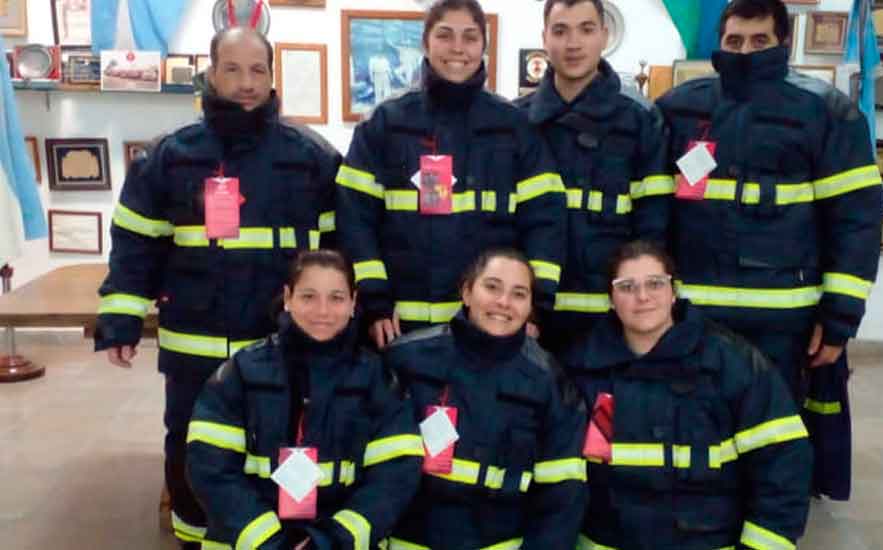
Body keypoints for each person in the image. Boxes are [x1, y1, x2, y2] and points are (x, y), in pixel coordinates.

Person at [93, 27, 343, 547]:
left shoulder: (311, 157)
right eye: (232, 68)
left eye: (258, 70)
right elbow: (137, 242)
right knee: (192, 446)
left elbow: (341, 253)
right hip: (194, 346)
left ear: (273, 77)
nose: (246, 83)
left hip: (282, 347)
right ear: (210, 73)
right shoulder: (169, 157)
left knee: (283, 446)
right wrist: (120, 317)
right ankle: (193, 535)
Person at [656, 0, 883, 398]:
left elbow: (857, 224)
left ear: (785, 42)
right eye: (735, 40)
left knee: (774, 443)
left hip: (783, 324)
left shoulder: (828, 114)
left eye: (760, 40)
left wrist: (839, 318)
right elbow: (652, 213)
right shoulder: (679, 109)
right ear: (719, 42)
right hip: (692, 317)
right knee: (697, 436)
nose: (745, 52)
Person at [337, 0, 566, 349]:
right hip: (399, 328)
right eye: (445, 35)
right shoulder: (385, 124)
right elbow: (355, 219)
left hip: (488, 326)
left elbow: (545, 221)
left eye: (470, 37)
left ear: (484, 47)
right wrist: (374, 302)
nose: (457, 47)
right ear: (426, 43)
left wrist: (535, 308)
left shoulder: (514, 128)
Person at [564, 240, 812, 550]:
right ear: (611, 299)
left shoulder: (733, 365)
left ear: (673, 291)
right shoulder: (582, 370)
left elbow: (783, 467)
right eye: (627, 286)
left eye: (655, 283)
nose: (642, 297)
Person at [186, 250, 422, 550]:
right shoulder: (240, 372)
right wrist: (271, 542)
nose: (322, 310)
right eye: (308, 296)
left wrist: (331, 541)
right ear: (287, 297)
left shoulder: (380, 380)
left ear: (353, 302)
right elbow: (210, 468)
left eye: (336, 298)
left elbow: (394, 477)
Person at [384, 248, 587, 549]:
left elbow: (562, 495)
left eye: (519, 294)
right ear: (466, 292)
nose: (503, 302)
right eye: (492, 287)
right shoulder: (406, 359)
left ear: (530, 306)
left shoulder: (549, 380)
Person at [515, 0, 672, 355]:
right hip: (533, 319)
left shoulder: (641, 121)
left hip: (611, 319)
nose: (573, 44)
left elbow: (653, 228)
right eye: (561, 30)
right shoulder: (517, 122)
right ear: (544, 38)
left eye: (586, 29)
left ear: (604, 35)